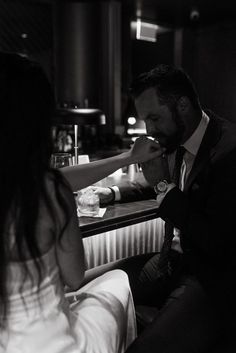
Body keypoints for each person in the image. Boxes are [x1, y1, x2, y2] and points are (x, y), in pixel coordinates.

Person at [0, 52, 164, 353]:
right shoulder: (49, 191)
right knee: (116, 281)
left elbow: (58, 177)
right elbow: (74, 277)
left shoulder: (43, 185)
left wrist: (129, 158)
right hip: (49, 344)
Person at [91, 64, 236, 353]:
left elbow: (217, 242)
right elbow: (168, 181)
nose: (149, 130)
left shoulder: (229, 153)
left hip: (211, 276)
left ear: (182, 105)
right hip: (171, 260)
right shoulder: (176, 137)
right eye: (146, 120)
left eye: (154, 118)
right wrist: (113, 192)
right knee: (88, 288)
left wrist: (161, 188)